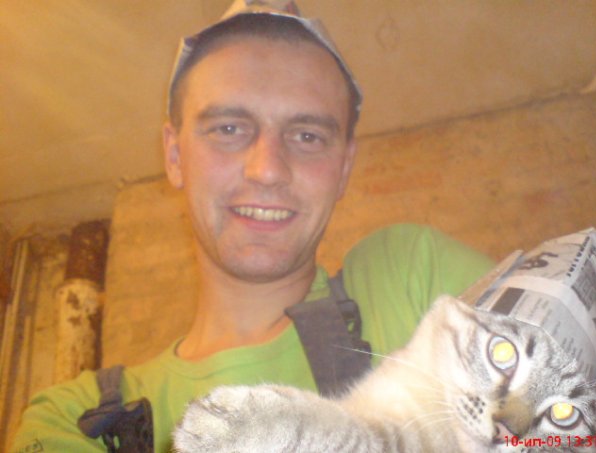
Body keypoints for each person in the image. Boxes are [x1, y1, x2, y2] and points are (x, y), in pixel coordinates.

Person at [10, 1, 493, 452]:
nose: (267, 170)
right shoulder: (76, 417)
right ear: (174, 156)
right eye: (229, 129)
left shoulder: (409, 282)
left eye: (307, 135)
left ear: (345, 168)